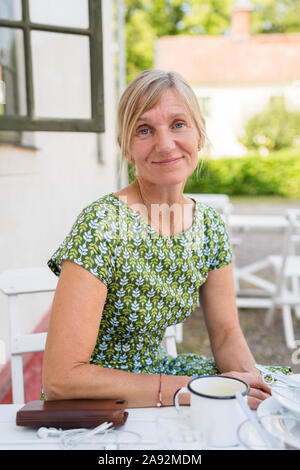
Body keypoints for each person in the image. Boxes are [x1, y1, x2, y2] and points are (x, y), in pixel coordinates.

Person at [42, 69, 288, 410]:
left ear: (199, 135)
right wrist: (196, 390)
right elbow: (61, 378)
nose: (165, 143)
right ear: (127, 149)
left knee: (282, 394)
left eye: (178, 124)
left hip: (161, 376)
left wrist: (249, 384)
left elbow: (227, 334)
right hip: (99, 398)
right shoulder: (102, 225)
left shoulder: (209, 227)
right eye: (145, 130)